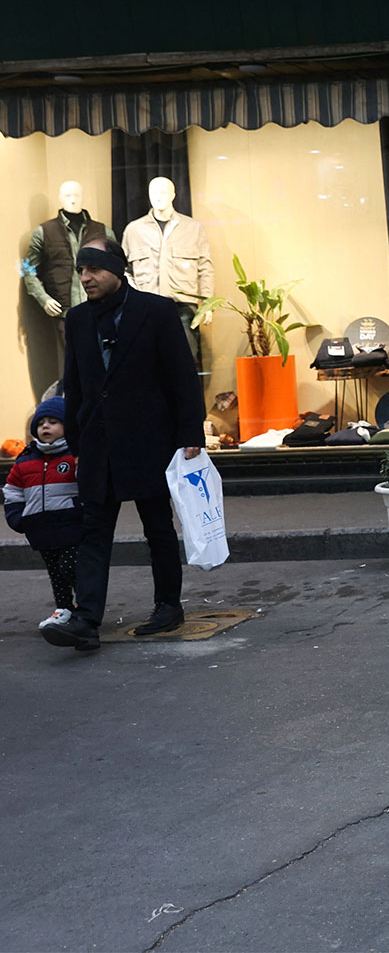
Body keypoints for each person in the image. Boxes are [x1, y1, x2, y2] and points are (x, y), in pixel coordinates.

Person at [39, 237, 205, 653]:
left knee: (157, 527)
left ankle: (168, 606)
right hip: (97, 444)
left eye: (93, 269)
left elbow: (182, 377)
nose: (85, 277)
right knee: (94, 533)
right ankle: (86, 621)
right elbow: (73, 382)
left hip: (149, 440)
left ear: (116, 268)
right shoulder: (77, 320)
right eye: (81, 270)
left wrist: (191, 436)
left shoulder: (157, 312)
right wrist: (73, 440)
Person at [4, 397, 83, 628]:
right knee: (55, 572)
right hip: (40, 527)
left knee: (70, 565)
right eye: (41, 423)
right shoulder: (26, 459)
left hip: (70, 524)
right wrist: (18, 517)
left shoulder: (73, 455)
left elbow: (87, 484)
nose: (45, 427)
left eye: (53, 422)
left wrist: (82, 509)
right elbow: (12, 490)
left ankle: (87, 606)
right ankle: (64, 608)